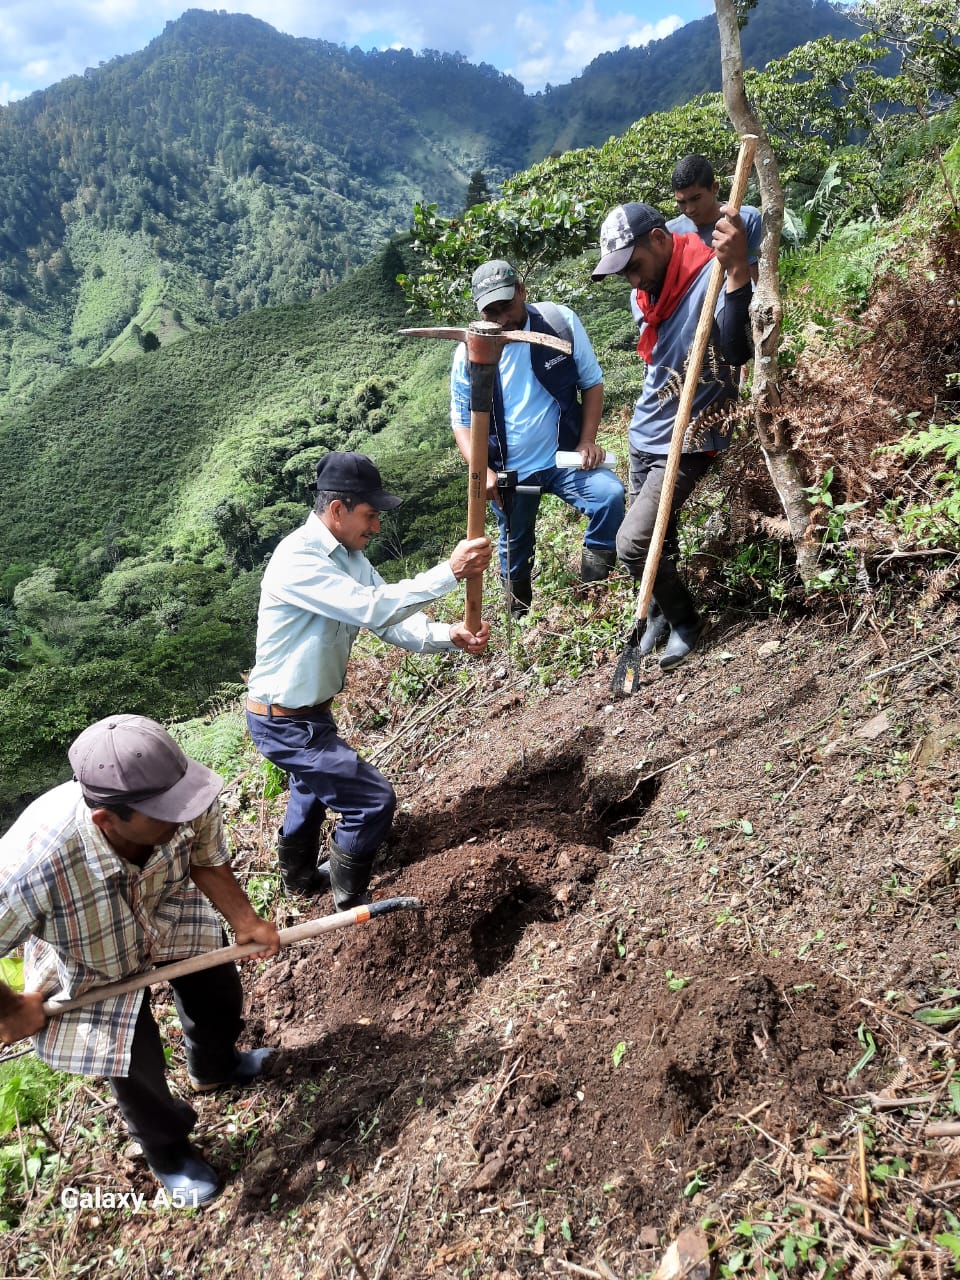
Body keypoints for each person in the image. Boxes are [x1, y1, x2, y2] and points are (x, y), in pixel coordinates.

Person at [0, 714, 280, 1207]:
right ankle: (167, 1151)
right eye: (165, 812)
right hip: (88, 947)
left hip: (165, 905)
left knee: (217, 993)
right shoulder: (30, 868)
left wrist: (245, 919)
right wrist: (9, 1010)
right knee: (131, 1060)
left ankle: (215, 1067)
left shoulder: (185, 794)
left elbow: (205, 858)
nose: (185, 814)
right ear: (108, 819)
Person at [245, 450, 491, 908]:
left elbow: (387, 618)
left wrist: (448, 635)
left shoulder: (351, 557)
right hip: (282, 719)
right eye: (370, 515)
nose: (375, 527)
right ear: (337, 510)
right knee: (372, 800)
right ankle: (348, 898)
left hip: (309, 714)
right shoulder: (297, 559)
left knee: (311, 790)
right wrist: (450, 572)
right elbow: (371, 607)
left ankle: (298, 880)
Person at [592, 201, 753, 670]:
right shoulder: (644, 294)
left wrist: (739, 269)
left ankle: (687, 622)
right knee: (663, 541)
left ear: (660, 240)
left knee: (633, 543)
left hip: (691, 435)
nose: (633, 280)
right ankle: (659, 615)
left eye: (634, 266)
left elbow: (738, 350)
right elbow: (657, 362)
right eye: (623, 273)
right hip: (645, 433)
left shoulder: (711, 275)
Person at [449, 259, 625, 616]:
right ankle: (519, 614)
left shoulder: (559, 324)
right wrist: (481, 470)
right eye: (491, 312)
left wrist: (587, 440)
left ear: (522, 292)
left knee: (610, 497)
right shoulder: (470, 353)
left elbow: (591, 383)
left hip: (563, 459)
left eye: (507, 306)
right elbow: (461, 421)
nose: (502, 319)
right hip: (511, 473)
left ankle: (594, 591)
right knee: (515, 544)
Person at [667, 154, 762, 279]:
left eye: (696, 199)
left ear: (714, 188)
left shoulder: (747, 220)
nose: (689, 209)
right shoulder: (670, 233)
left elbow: (757, 280)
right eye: (682, 202)